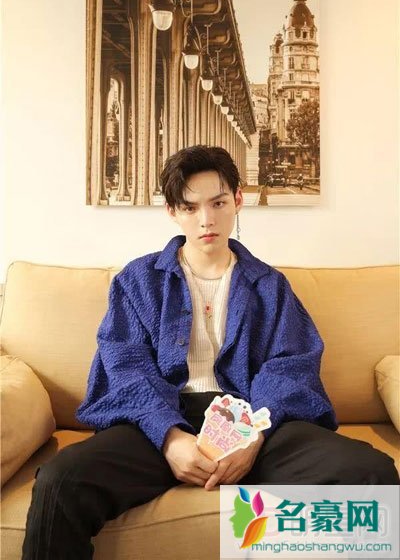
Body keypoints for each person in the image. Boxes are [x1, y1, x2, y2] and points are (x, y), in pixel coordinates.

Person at [22, 146, 399, 559]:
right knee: (60, 480)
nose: (207, 220)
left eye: (218, 203)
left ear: (237, 200)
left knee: (372, 473)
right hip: (159, 424)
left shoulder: (269, 285)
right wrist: (170, 438)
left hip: (252, 421)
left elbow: (291, 365)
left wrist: (252, 436)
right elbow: (126, 364)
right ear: (172, 211)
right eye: (191, 207)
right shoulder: (139, 281)